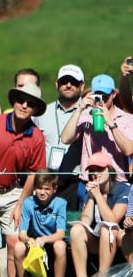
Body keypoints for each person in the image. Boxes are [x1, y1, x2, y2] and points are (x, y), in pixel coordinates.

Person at [0, 84, 47, 277]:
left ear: (35, 109)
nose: (24, 105)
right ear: (14, 102)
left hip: (13, 193)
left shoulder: (36, 136)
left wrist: (20, 203)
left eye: (30, 104)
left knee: (15, 243)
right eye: (21, 100)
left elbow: (33, 173)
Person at [60, 74, 133, 209]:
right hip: (89, 181)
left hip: (117, 182)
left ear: (113, 94)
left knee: (114, 226)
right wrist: (80, 109)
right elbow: (65, 139)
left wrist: (110, 123)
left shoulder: (127, 119)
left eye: (104, 96)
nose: (101, 100)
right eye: (96, 96)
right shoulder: (86, 116)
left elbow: (128, 149)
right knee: (86, 225)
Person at [69, 152, 129, 277]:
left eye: (100, 169)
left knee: (107, 229)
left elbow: (113, 220)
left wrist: (98, 196)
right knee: (76, 229)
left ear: (110, 170)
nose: (96, 173)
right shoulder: (91, 189)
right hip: (97, 239)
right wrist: (91, 197)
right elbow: (85, 220)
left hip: (119, 237)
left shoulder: (123, 189)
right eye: (92, 170)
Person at [33, 65, 85, 210]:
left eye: (73, 82)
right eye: (64, 81)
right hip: (44, 182)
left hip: (74, 183)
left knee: (71, 229)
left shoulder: (89, 113)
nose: (68, 85)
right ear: (57, 84)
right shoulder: (41, 112)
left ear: (82, 86)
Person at [13, 170, 67, 277]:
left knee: (60, 245)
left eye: (47, 189)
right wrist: (29, 240)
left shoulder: (60, 203)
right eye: (39, 188)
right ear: (34, 188)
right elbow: (22, 234)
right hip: (33, 241)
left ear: (54, 189)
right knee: (18, 247)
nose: (42, 192)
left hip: (51, 241)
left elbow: (61, 234)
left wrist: (43, 240)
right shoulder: (28, 202)